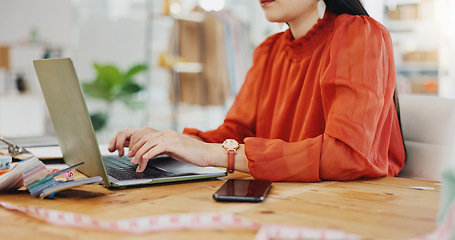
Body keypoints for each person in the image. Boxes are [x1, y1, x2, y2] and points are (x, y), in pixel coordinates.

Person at [108, 0, 406, 182]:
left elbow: (346, 154)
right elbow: (236, 133)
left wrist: (213, 153)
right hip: (283, 202)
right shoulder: (268, 51)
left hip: (350, 209)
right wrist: (165, 142)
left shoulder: (361, 34)